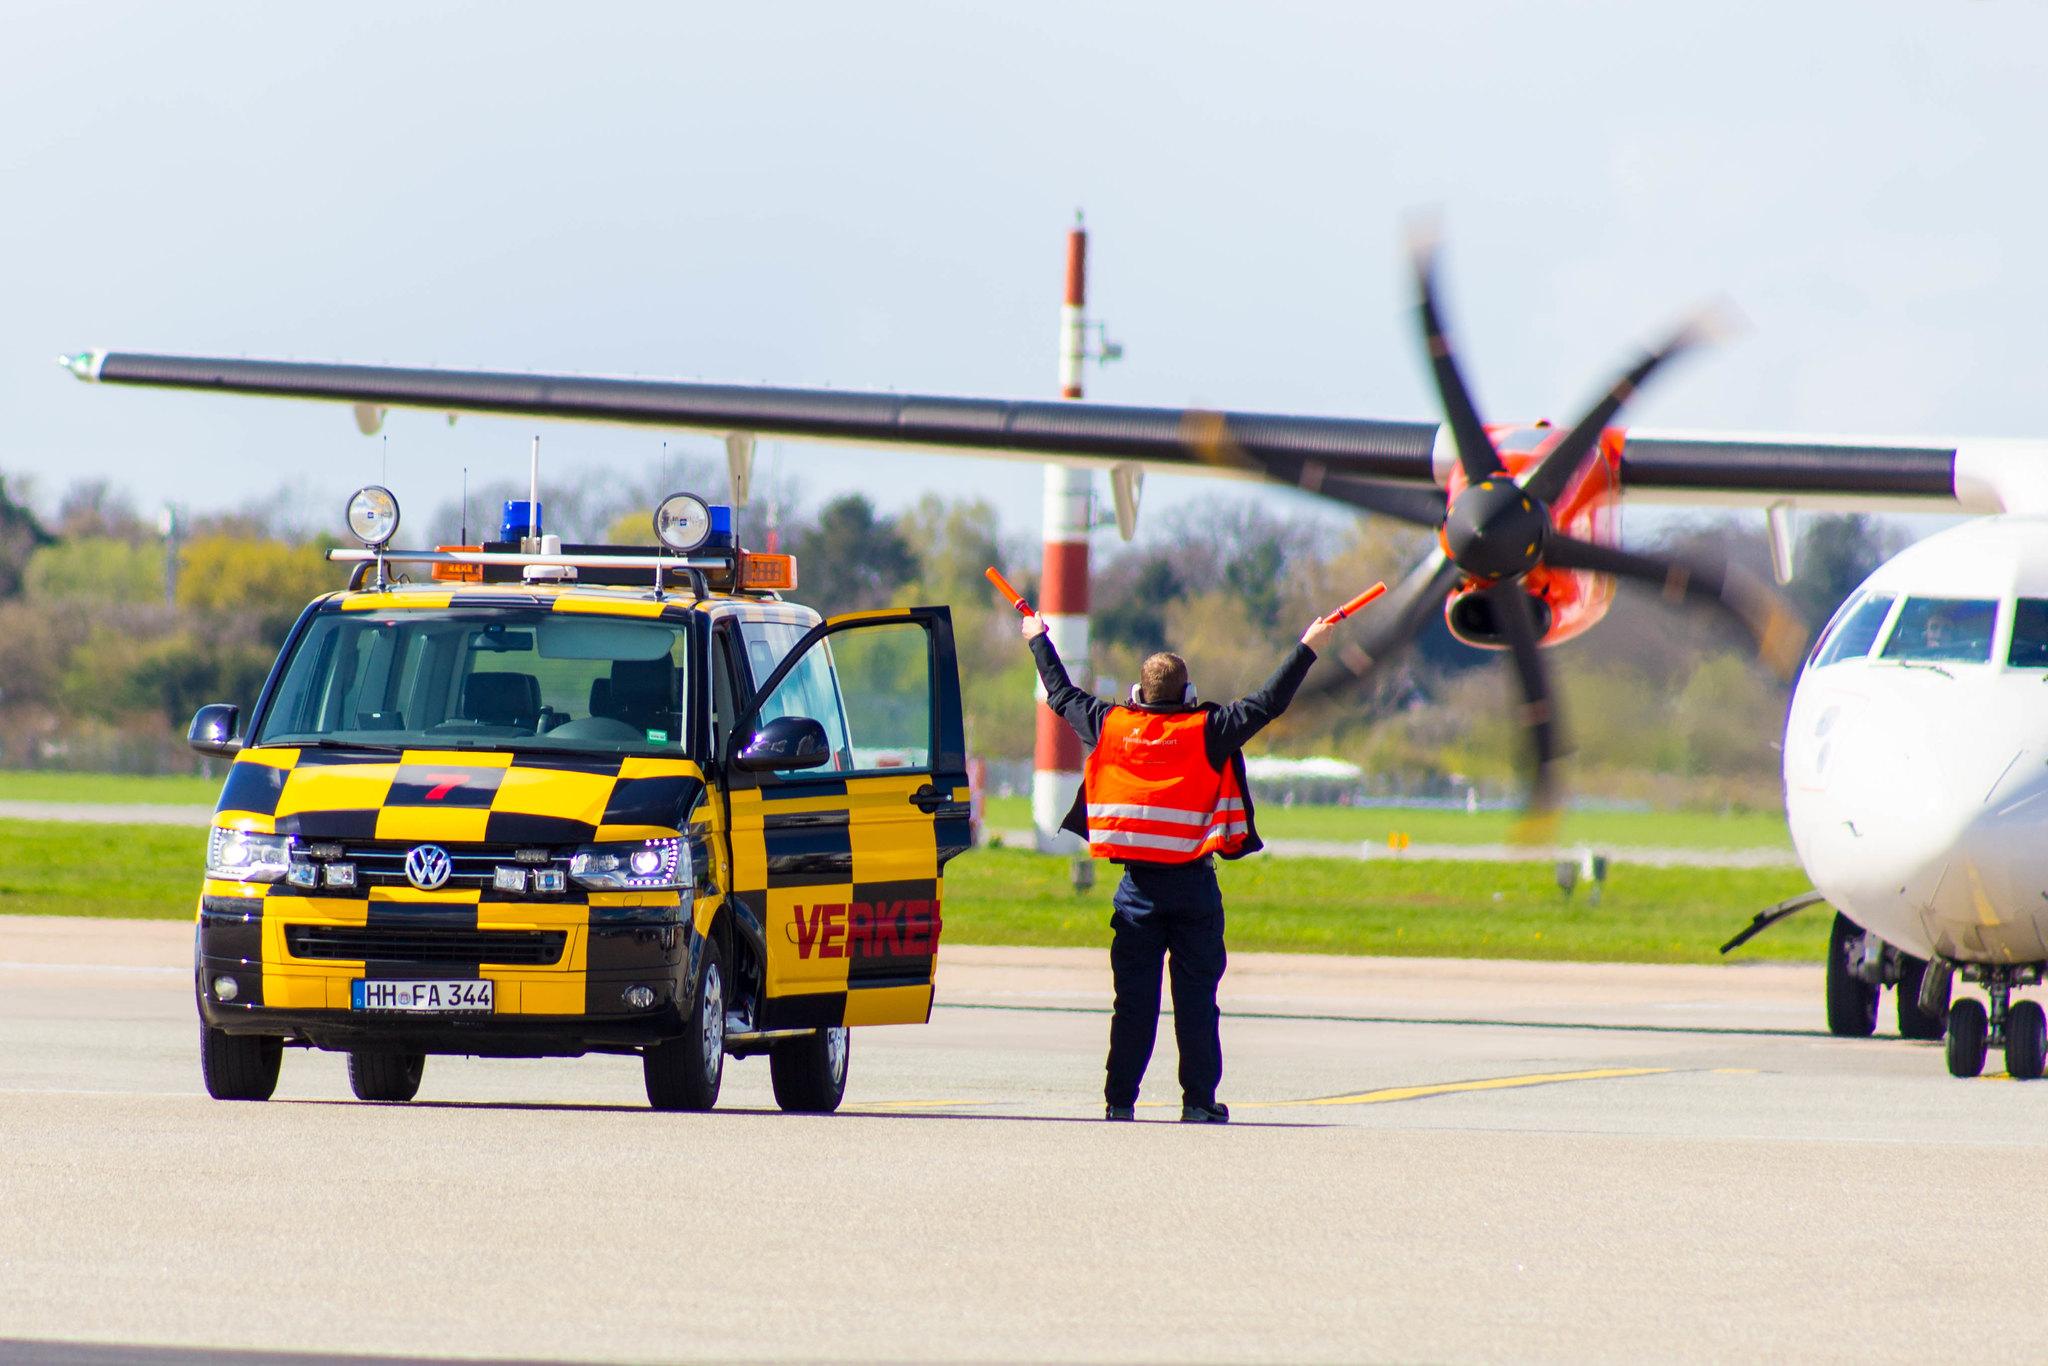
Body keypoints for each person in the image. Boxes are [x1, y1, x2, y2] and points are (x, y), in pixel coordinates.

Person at [1023, 608, 1341, 1123]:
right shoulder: (1208, 730)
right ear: (1187, 693)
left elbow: (1059, 694)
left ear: (1137, 692)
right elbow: (1268, 703)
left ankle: (1119, 1101)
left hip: (1136, 894)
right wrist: (1309, 645)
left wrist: (1038, 638)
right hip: (1194, 892)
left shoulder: (1109, 725)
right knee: (1196, 1005)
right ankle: (1197, 1103)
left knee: (1133, 1006)